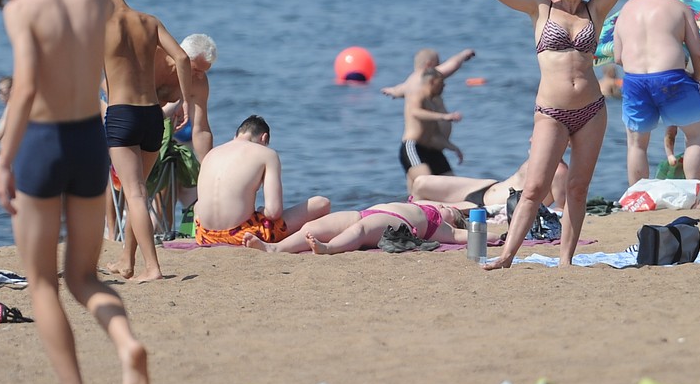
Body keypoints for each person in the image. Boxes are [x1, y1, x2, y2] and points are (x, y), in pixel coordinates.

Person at [0, 0, 149, 384]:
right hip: (90, 142)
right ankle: (126, 342)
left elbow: (25, 87)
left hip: (45, 143)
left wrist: (4, 162)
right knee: (85, 275)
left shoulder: (22, 10)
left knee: (43, 282)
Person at [42, 0, 194, 282]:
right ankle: (127, 262)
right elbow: (182, 59)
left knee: (135, 193)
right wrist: (183, 102)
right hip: (153, 116)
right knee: (134, 191)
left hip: (122, 115)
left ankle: (153, 268)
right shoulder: (150, 21)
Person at [482, 0, 627, 268]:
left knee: (578, 189)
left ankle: (566, 259)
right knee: (534, 188)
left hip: (591, 110)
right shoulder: (541, 7)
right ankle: (506, 257)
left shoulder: (595, 10)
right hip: (551, 111)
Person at [611, 0, 700, 187]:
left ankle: (637, 196)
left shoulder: (627, 8)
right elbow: (699, 54)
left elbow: (618, 57)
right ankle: (691, 193)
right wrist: (696, 77)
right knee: (699, 135)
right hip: (671, 79)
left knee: (637, 144)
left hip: (634, 81)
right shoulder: (678, 7)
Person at [193, 114, 330, 246]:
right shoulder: (266, 154)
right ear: (264, 138)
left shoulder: (212, 153)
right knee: (322, 203)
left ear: (236, 135)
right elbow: (274, 212)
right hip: (242, 235)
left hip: (204, 235)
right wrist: (262, 210)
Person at [244, 199, 486, 255]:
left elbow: (475, 229)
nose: (445, 206)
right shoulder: (426, 202)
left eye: (450, 210)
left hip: (400, 224)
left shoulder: (444, 228)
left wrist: (504, 236)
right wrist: (450, 206)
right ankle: (273, 249)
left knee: (358, 233)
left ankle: (328, 248)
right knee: (312, 225)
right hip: (367, 211)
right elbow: (465, 202)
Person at [409, 150, 569, 212]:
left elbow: (561, 210)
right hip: (488, 186)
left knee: (420, 207)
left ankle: (414, 226)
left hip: (487, 208)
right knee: (420, 183)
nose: (531, 138)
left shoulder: (559, 171)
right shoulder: (538, 156)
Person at [399, 68, 463, 190]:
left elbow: (435, 133)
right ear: (432, 82)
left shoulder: (432, 102)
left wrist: (453, 147)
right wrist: (444, 116)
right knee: (427, 184)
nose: (444, 87)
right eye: (441, 84)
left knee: (452, 185)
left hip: (431, 151)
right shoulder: (417, 93)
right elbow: (415, 112)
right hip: (413, 147)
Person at [158, 33, 217, 162]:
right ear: (182, 57)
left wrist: (207, 166)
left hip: (162, 125)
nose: (200, 77)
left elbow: (201, 129)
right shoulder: (157, 62)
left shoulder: (198, 83)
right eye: (196, 70)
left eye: (204, 72)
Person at [380, 47, 476, 99]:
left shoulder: (410, 82)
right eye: (438, 65)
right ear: (429, 66)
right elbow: (453, 64)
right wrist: (463, 55)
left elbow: (400, 90)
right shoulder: (426, 75)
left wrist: (392, 91)